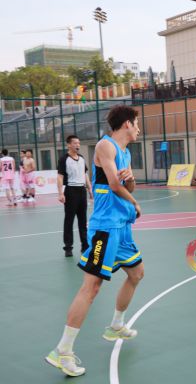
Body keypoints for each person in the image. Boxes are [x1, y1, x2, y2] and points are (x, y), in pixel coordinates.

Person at [46, 105, 143, 377]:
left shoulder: (126, 152)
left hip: (121, 227)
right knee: (91, 288)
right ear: (126, 124)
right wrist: (135, 202)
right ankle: (63, 351)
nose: (138, 128)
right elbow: (114, 184)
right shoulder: (105, 146)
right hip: (105, 227)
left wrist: (131, 180)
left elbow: (127, 184)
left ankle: (116, 325)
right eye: (136, 123)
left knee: (136, 273)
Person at [57, 135, 94, 257]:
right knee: (69, 220)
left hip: (82, 191)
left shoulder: (82, 158)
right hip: (71, 191)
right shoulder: (64, 159)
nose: (77, 145)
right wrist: (60, 193)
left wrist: (89, 189)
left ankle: (85, 245)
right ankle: (68, 247)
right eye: (75, 143)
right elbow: (60, 177)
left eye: (78, 143)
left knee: (83, 220)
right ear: (69, 145)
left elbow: (85, 174)